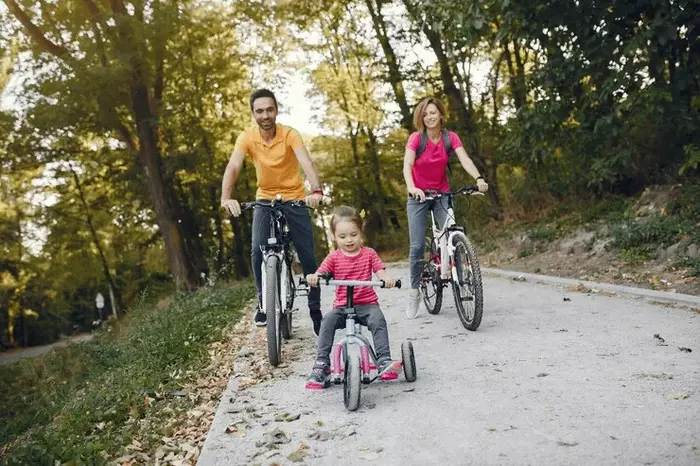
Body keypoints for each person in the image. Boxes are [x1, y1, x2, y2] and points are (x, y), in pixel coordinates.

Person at [221, 89, 324, 334]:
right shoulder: (247, 138)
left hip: (294, 197)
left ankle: (315, 309)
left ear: (276, 110)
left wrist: (316, 191)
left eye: (269, 109)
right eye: (260, 111)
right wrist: (226, 197)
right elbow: (234, 166)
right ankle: (263, 301)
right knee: (258, 248)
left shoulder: (290, 134)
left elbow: (305, 162)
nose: (265, 115)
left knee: (307, 255)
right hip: (265, 199)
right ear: (253, 113)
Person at [403, 97, 488, 319]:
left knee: (454, 232)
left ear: (441, 115)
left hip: (442, 193)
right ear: (421, 117)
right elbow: (407, 164)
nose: (429, 117)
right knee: (417, 246)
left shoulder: (450, 138)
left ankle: (462, 274)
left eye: (433, 112)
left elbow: (465, 158)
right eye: (425, 113)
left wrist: (478, 178)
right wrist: (412, 187)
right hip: (418, 196)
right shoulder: (416, 139)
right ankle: (414, 292)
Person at [305, 206, 401, 389]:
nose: (348, 240)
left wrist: (386, 279)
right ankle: (321, 365)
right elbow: (320, 273)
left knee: (378, 319)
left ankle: (383, 360)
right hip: (341, 307)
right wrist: (314, 277)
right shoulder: (333, 257)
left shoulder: (369, 254)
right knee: (327, 322)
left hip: (367, 305)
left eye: (353, 234)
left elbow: (380, 271)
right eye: (342, 236)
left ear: (360, 233)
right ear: (334, 236)